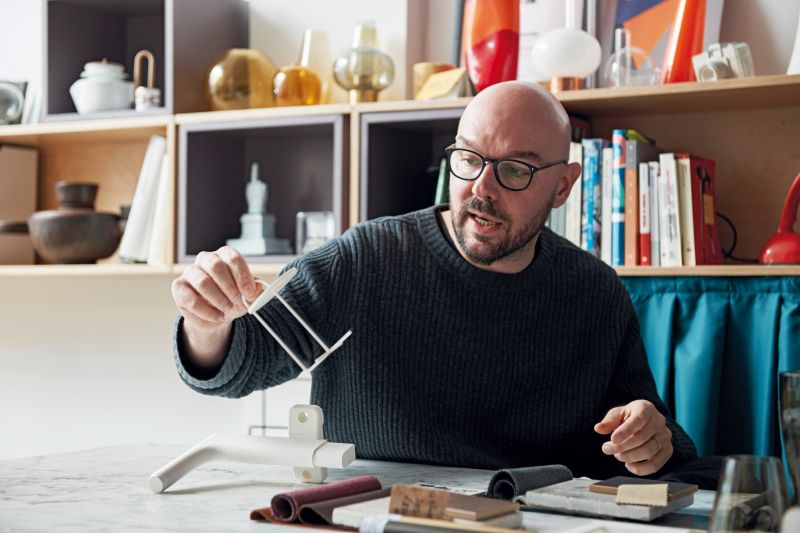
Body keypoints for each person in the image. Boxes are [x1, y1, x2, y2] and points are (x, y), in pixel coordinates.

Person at [170, 80, 698, 480]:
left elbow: (653, 435)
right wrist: (206, 322)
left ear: (563, 186)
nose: (480, 188)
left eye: (515, 170)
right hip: (373, 516)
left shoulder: (594, 293)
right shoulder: (366, 262)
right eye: (468, 159)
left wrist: (651, 438)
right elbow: (239, 365)